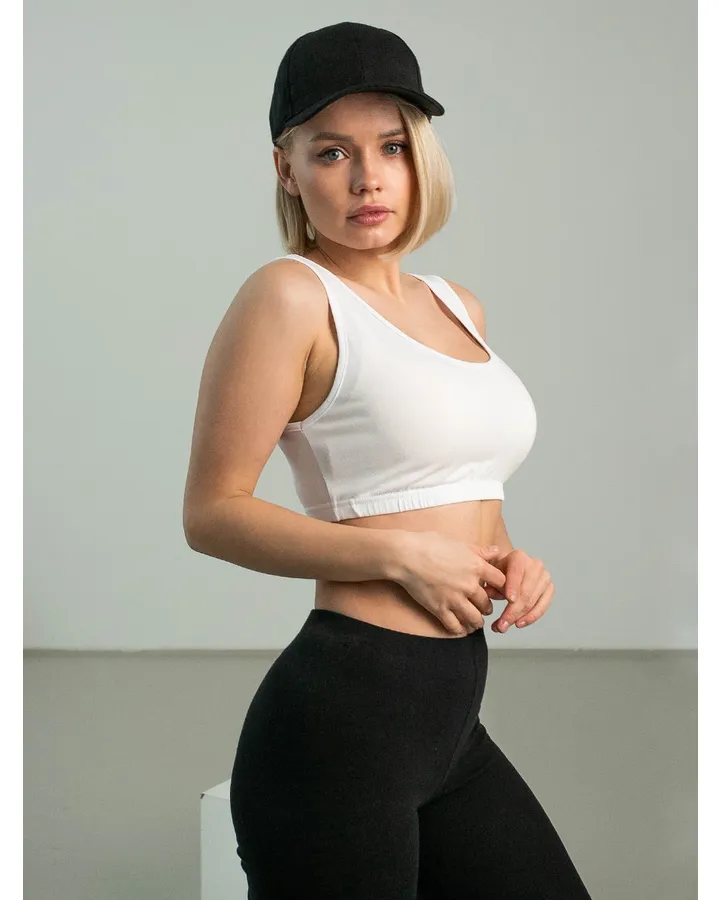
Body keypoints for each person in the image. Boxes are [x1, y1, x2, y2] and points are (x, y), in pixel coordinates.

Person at [183, 20, 593, 900]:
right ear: (285, 169)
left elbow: (465, 490)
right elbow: (211, 513)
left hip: (450, 725)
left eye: (393, 147)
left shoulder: (457, 304)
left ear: (421, 158)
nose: (368, 177)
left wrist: (510, 560)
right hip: (339, 727)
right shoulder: (290, 297)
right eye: (331, 152)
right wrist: (400, 555)